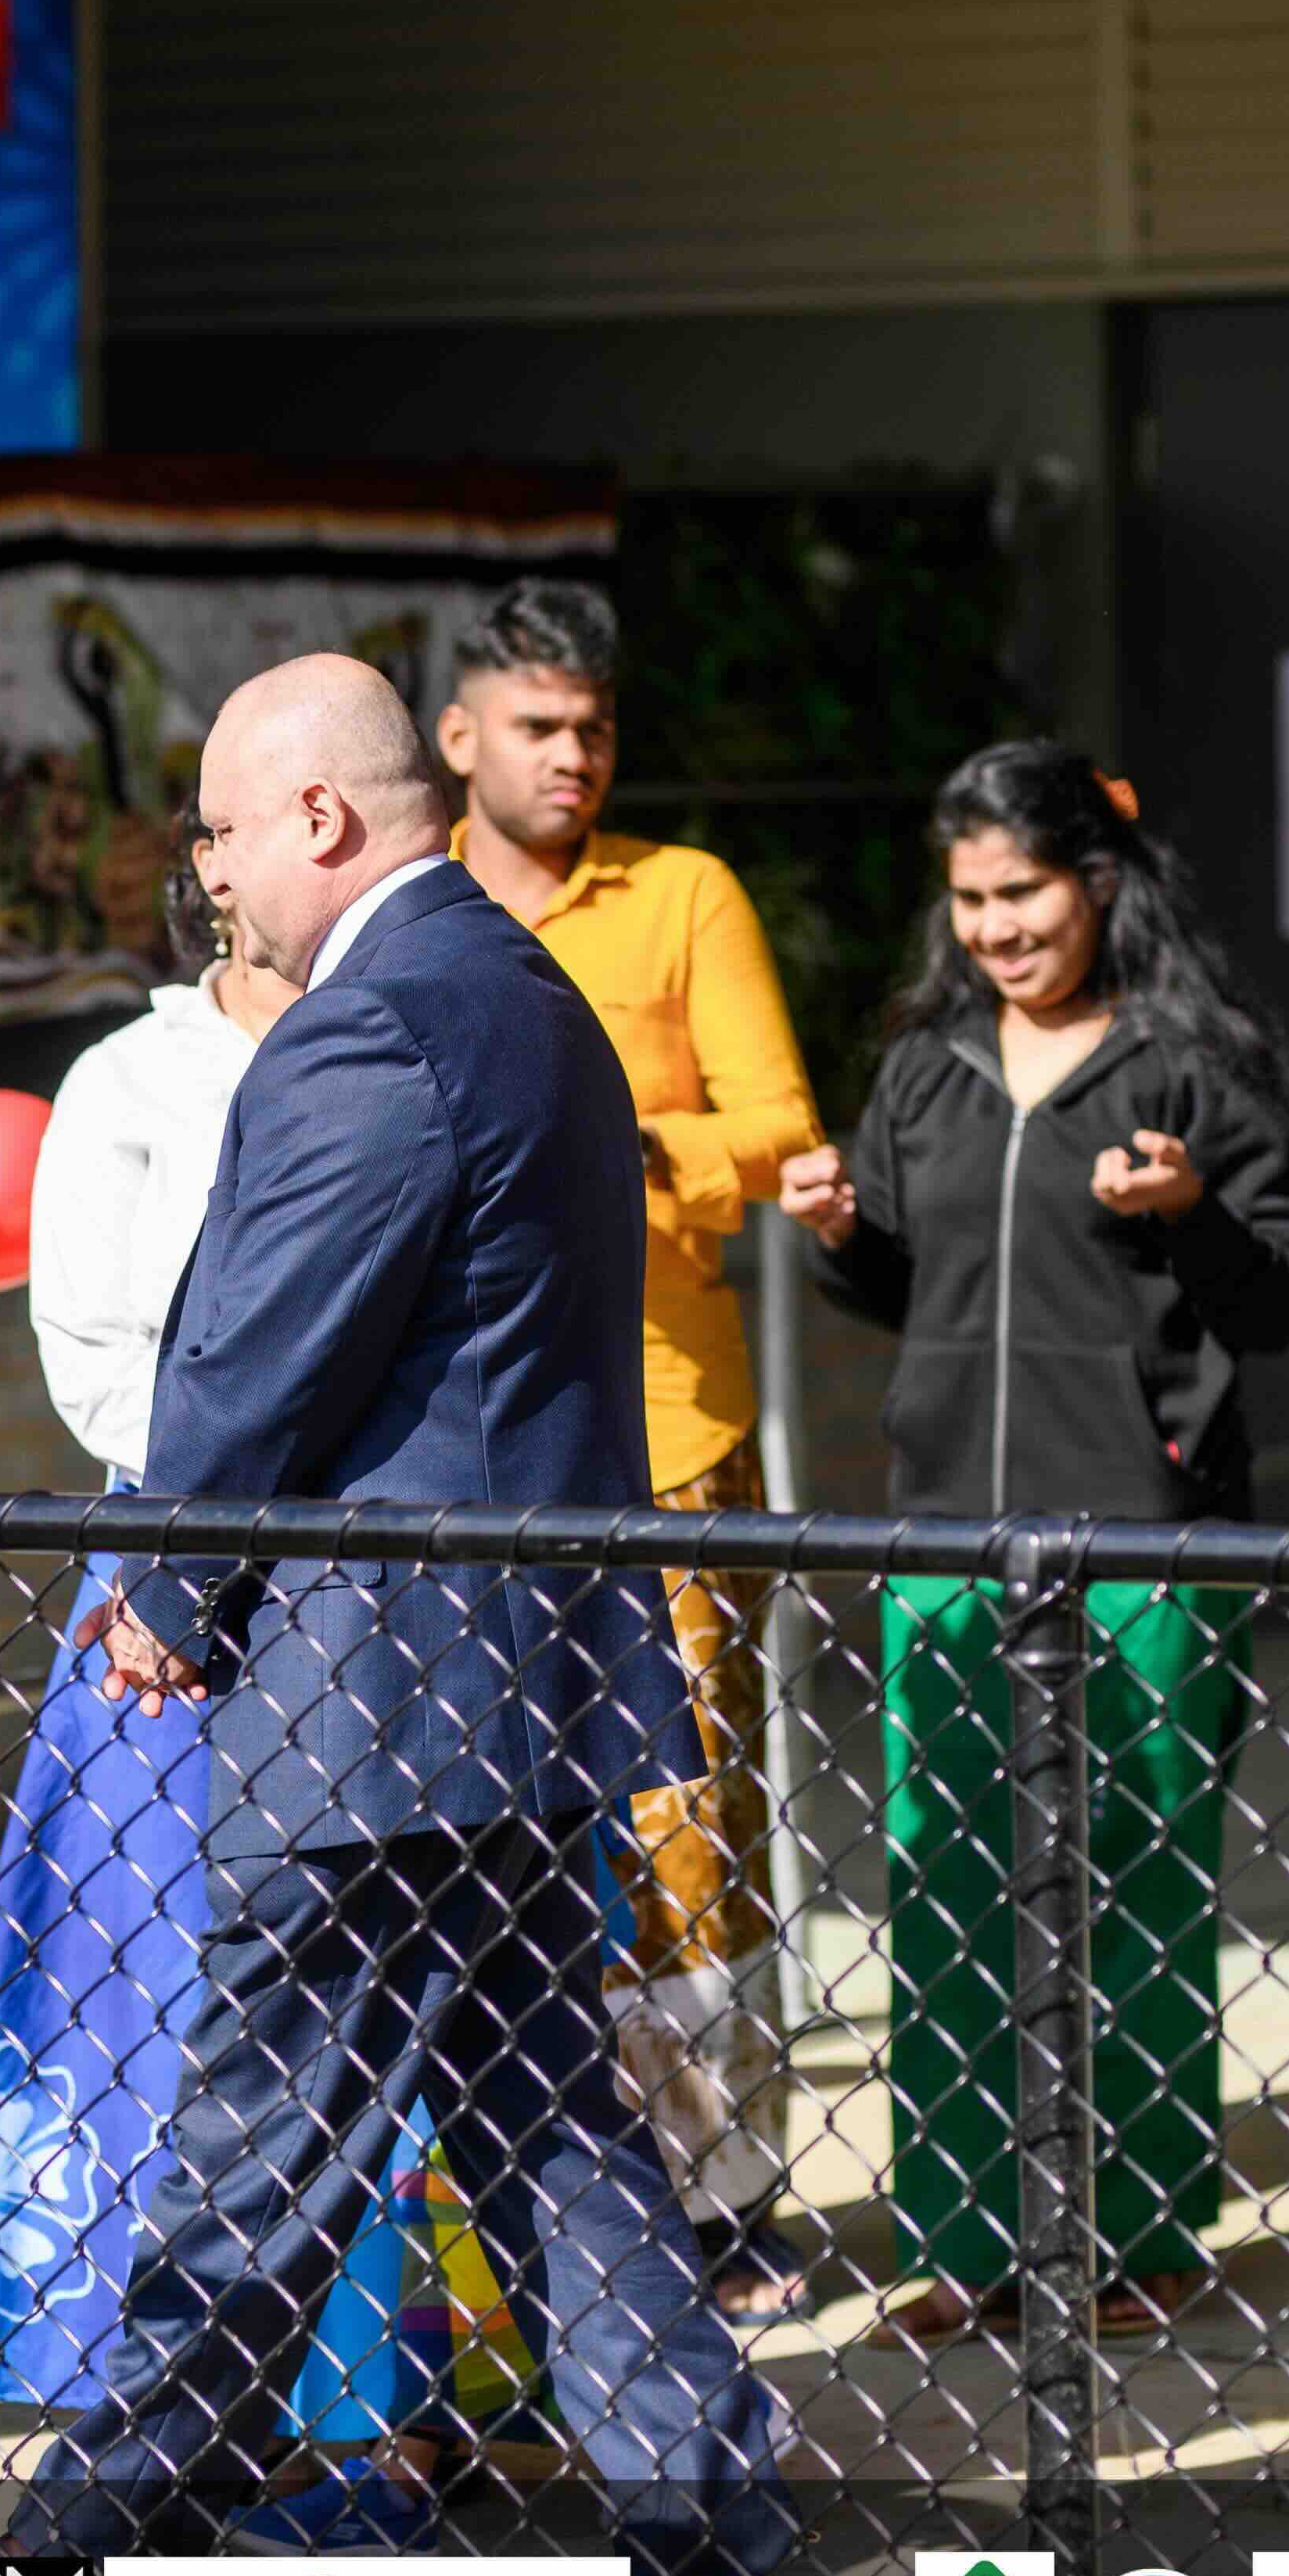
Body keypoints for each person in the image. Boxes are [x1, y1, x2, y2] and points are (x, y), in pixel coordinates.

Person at [16, 655, 804, 2576]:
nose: (208, 874)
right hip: (520, 1685)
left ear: (322, 824)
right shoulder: (529, 993)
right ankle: (714, 2569)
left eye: (221, 830)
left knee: (253, 2140)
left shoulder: (371, 1020)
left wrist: (173, 1585)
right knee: (553, 2132)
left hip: (379, 1707)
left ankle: (72, 2574)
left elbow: (263, 1347)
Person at [0, 834, 532, 2539]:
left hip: (364, 1606)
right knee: (179, 2015)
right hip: (178, 1590)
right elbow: (99, 1355)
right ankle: (176, 2425)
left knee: (371, 2036)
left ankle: (386, 2410)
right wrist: (214, 1526)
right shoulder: (133, 1077)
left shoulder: (395, 1028)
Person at [775, 747, 1289, 2355]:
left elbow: (1279, 1297)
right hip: (944, 1536)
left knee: (1138, 1885)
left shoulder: (1190, 1066)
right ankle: (964, 2236)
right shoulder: (929, 1068)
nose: (999, 926)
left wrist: (1189, 1210)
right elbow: (914, 1289)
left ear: (1098, 881)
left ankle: (1144, 2230)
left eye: (1025, 890)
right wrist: (839, 1237)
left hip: (1142, 1537)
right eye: (972, 898)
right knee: (948, 1893)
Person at [436, 576, 822, 2319]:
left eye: (594, 726)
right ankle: (523, 2192)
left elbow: (777, 1126)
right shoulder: (407, 899)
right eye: (540, 725)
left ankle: (722, 2193)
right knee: (471, 1823)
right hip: (452, 1449)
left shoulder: (682, 895)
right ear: (459, 738)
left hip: (662, 1431)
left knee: (679, 1826)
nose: (576, 755)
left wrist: (617, 1133)